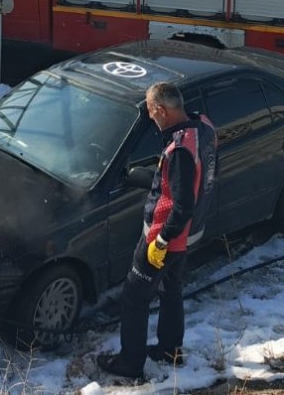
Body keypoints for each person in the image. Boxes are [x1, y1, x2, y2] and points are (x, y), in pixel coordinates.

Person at [97, 82, 216, 381]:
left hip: (164, 238)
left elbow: (182, 202)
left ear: (162, 110)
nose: (151, 118)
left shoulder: (178, 151)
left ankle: (130, 362)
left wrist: (161, 240)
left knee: (134, 298)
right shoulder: (203, 126)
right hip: (188, 234)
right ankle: (169, 349)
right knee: (170, 289)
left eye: (151, 112)